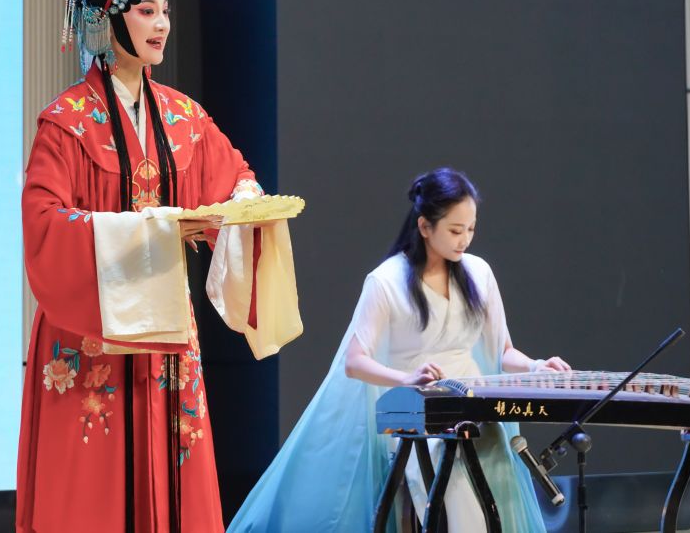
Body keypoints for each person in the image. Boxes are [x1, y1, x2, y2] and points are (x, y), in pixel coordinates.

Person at [16, 0, 301, 533]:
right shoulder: (65, 123)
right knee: (89, 489)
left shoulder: (183, 117)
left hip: (167, 334)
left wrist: (238, 209)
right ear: (108, 19)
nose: (162, 24)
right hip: (90, 333)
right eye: (146, 11)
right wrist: (157, 227)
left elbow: (236, 178)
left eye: (165, 11)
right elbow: (43, 224)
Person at [228, 167, 569, 532]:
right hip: (420, 416)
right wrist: (407, 378)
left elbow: (502, 351)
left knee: (498, 475)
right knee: (453, 475)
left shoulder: (479, 273)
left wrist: (535, 366)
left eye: (471, 229)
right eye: (455, 230)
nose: (465, 240)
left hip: (473, 406)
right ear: (425, 226)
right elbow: (355, 362)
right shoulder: (386, 280)